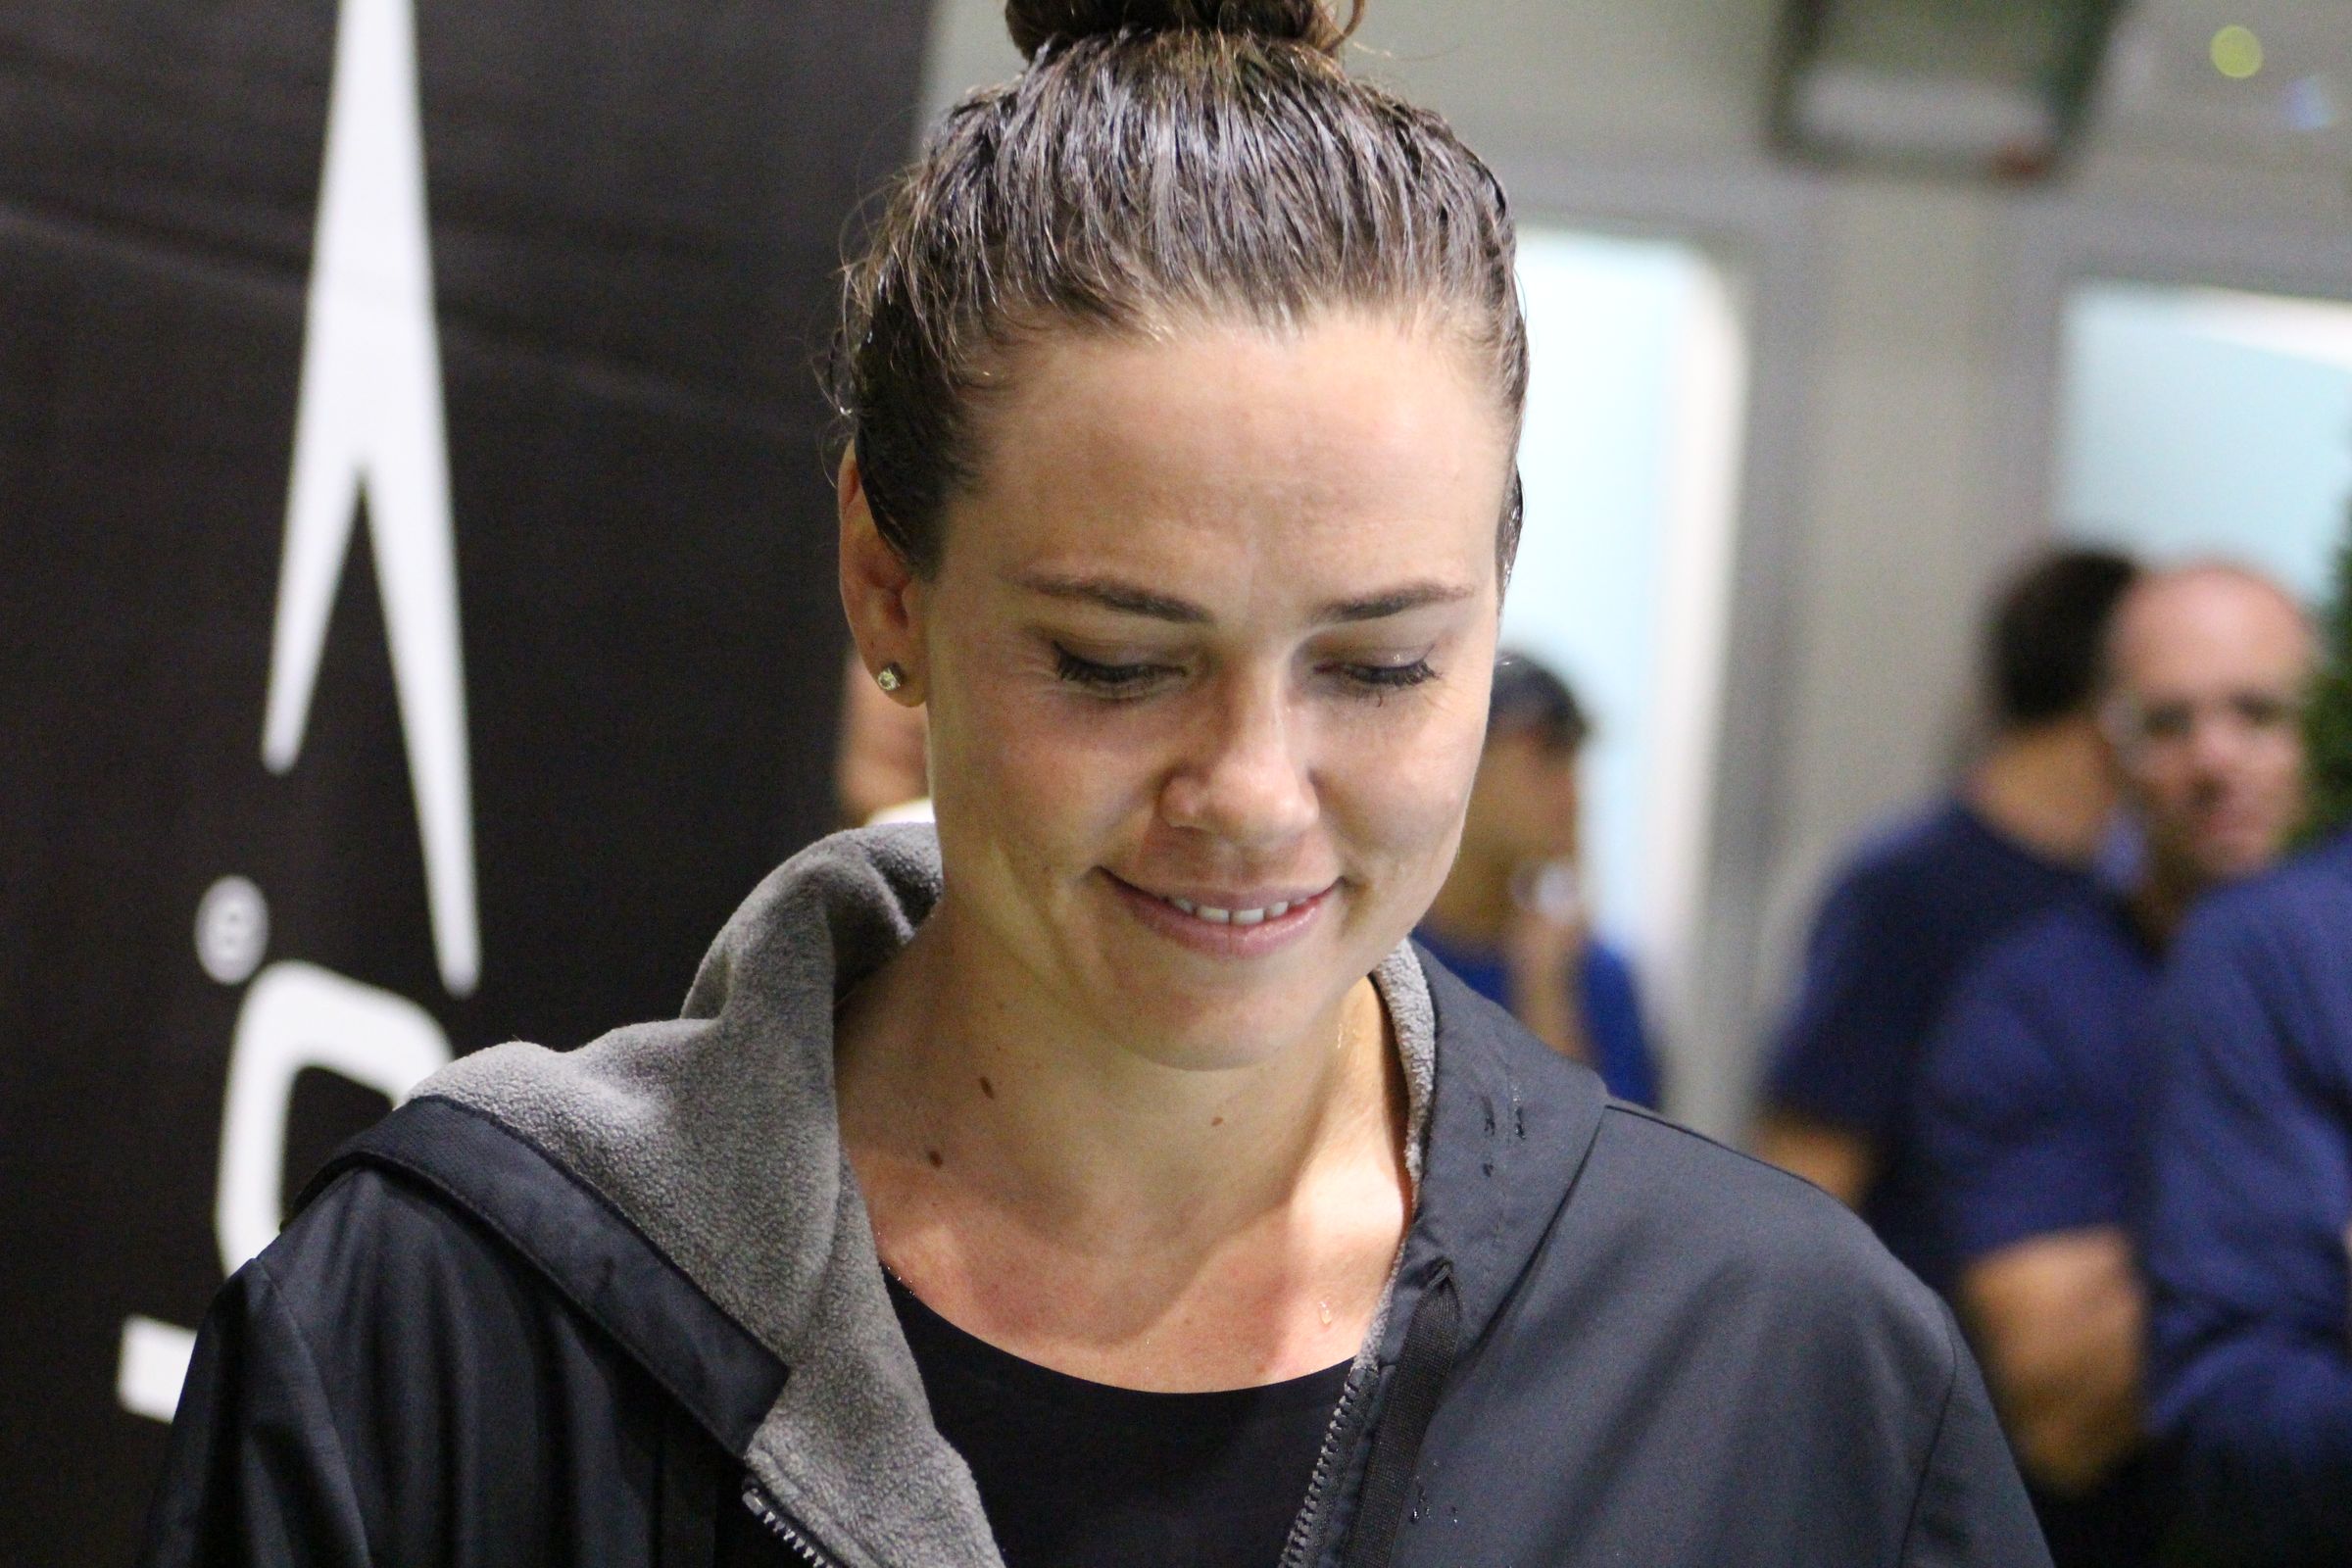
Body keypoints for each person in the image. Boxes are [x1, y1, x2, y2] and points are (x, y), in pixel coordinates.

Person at [138, 4, 2049, 1564]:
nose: (1255, 791)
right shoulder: (456, 1328)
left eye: (1382, 664)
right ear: (886, 582)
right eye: (1119, 662)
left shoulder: (1782, 1377)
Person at [1916, 564, 2315, 1566]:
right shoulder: (2030, 1005)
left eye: (2259, 713)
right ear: (2110, 748)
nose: (2213, 759)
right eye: (2168, 723)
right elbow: (2064, 1410)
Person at [1754, 547, 2139, 1291]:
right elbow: (1805, 1177)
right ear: (2114, 702)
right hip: (1925, 1343)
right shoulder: (1905, 893)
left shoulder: (2131, 900)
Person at [1417, 652, 1661, 1105]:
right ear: (1460, 763)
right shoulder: (1379, 956)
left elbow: (1617, 1146)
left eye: (1574, 766)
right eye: (1545, 760)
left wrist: (1547, 993)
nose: (1572, 796)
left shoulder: (1595, 977)